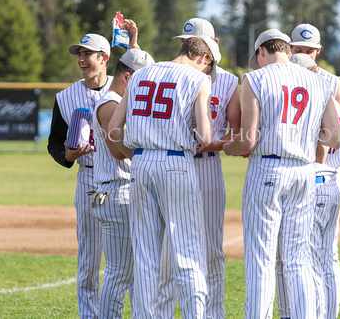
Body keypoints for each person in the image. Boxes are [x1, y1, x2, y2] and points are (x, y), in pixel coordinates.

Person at [223, 29, 340, 318]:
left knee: (261, 259)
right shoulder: (317, 80)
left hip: (268, 167)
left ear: (261, 51)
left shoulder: (255, 78)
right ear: (288, 51)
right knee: (298, 259)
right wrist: (303, 138)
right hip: (305, 171)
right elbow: (335, 138)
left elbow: (248, 139)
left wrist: (227, 146)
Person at [107, 35, 220, 318]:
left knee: (145, 255)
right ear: (203, 57)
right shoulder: (198, 79)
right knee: (188, 252)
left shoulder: (141, 74)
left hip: (142, 162)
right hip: (176, 162)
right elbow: (205, 137)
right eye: (209, 66)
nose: (207, 72)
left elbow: (113, 128)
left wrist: (137, 155)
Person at [157, 18, 241, 319]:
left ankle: (213, 313)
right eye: (186, 41)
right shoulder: (170, 75)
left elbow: (237, 133)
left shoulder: (229, 81)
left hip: (206, 169)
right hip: (171, 166)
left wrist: (214, 144)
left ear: (213, 46)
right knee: (166, 254)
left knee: (211, 252)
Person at [276, 53, 340, 319]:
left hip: (313, 182)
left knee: (306, 261)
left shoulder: (311, 101)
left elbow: (318, 153)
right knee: (328, 259)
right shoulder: (334, 102)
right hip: (331, 184)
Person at [90, 19, 154, 318]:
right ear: (128, 79)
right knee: (118, 274)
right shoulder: (110, 105)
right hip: (117, 192)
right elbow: (118, 152)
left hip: (121, 192)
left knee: (129, 272)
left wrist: (133, 43)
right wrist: (152, 157)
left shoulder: (118, 96)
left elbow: (133, 63)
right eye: (143, 82)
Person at [47, 32, 113, 318]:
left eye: (88, 53)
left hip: (123, 180)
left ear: (104, 58)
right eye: (79, 54)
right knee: (88, 257)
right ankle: (90, 315)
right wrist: (68, 156)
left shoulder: (125, 88)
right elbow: (54, 143)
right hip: (88, 179)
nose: (82, 59)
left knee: (126, 258)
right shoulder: (66, 97)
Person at [289, 23, 340, 143]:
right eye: (298, 50)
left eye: (309, 51)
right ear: (289, 49)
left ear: (319, 50)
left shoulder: (334, 83)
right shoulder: (279, 79)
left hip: (324, 161)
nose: (304, 55)